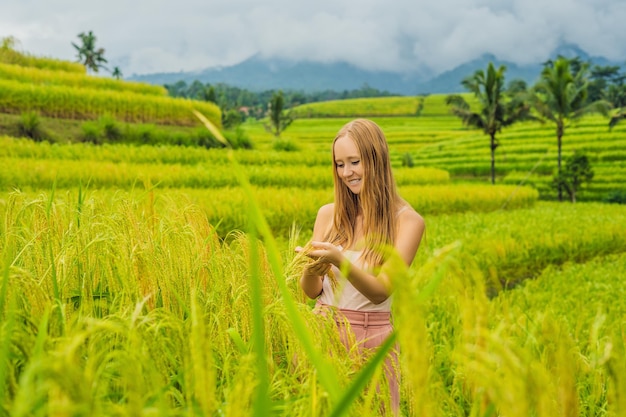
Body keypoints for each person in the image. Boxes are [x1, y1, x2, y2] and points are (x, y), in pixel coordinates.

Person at [296, 118, 425, 414]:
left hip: (372, 338)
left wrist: (338, 260)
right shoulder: (328, 215)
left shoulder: (407, 222)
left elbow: (380, 292)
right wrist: (310, 269)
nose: (347, 173)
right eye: (340, 164)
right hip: (322, 330)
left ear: (376, 159)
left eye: (355, 162)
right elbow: (311, 293)